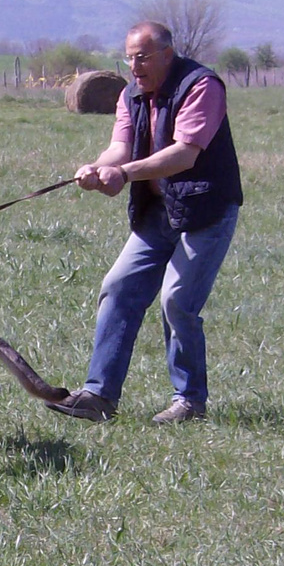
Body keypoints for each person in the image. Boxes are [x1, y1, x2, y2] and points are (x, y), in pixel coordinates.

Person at [50, 21, 243, 425]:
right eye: (129, 57)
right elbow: (119, 147)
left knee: (177, 299)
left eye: (143, 57)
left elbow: (184, 155)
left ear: (167, 54)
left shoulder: (201, 86)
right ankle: (99, 396)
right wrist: (96, 168)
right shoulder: (129, 95)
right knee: (118, 287)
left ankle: (189, 402)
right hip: (158, 212)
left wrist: (124, 175)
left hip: (204, 211)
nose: (134, 66)